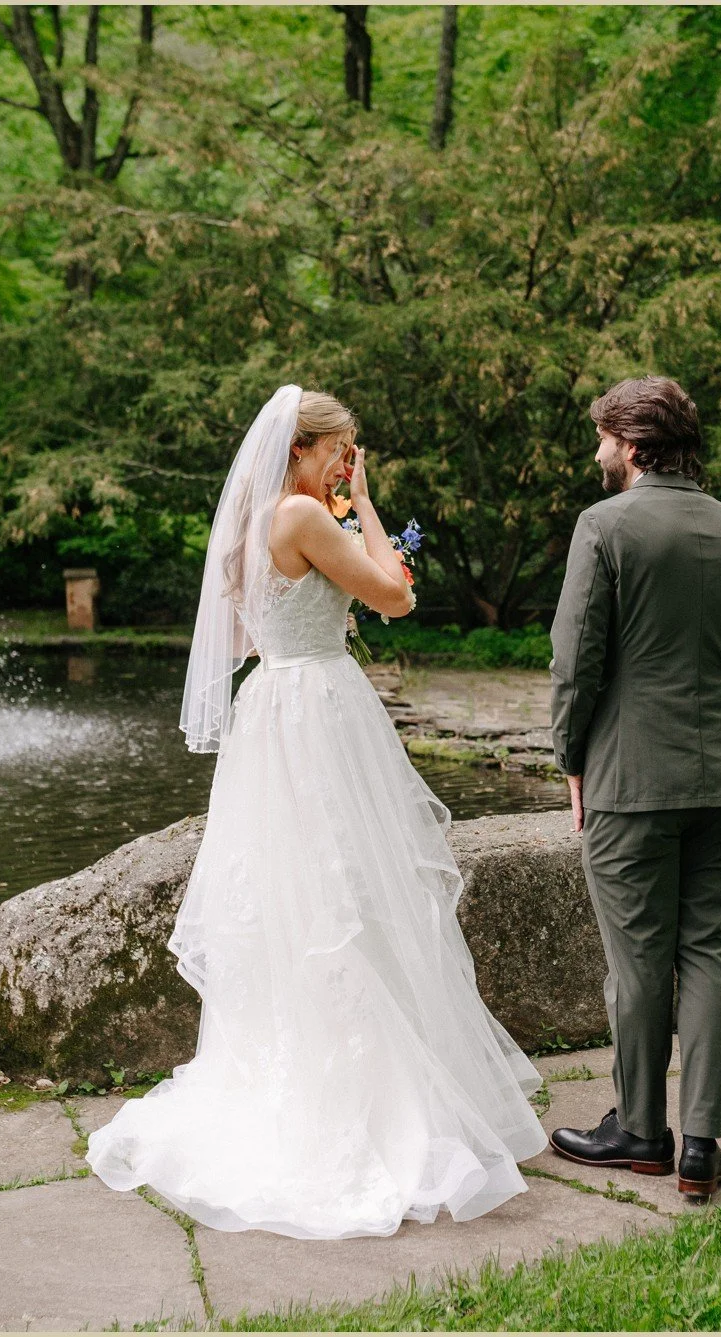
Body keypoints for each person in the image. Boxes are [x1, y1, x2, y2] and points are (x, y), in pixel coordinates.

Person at [84, 386, 547, 1240]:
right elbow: (396, 597)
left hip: (273, 715)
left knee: (298, 897)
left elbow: (233, 639)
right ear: (301, 447)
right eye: (342, 449)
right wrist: (366, 507)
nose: (348, 463)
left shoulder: (252, 520)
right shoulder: (305, 515)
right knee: (344, 894)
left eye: (353, 455)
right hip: (320, 711)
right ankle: (357, 1102)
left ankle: (314, 1072)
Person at [545, 374, 721, 1206]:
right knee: (710, 950)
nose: (598, 450)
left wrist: (573, 758)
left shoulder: (604, 528)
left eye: (605, 435)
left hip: (629, 779)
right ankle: (701, 1147)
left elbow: (577, 664)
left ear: (635, 444)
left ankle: (641, 1130)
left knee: (637, 957)